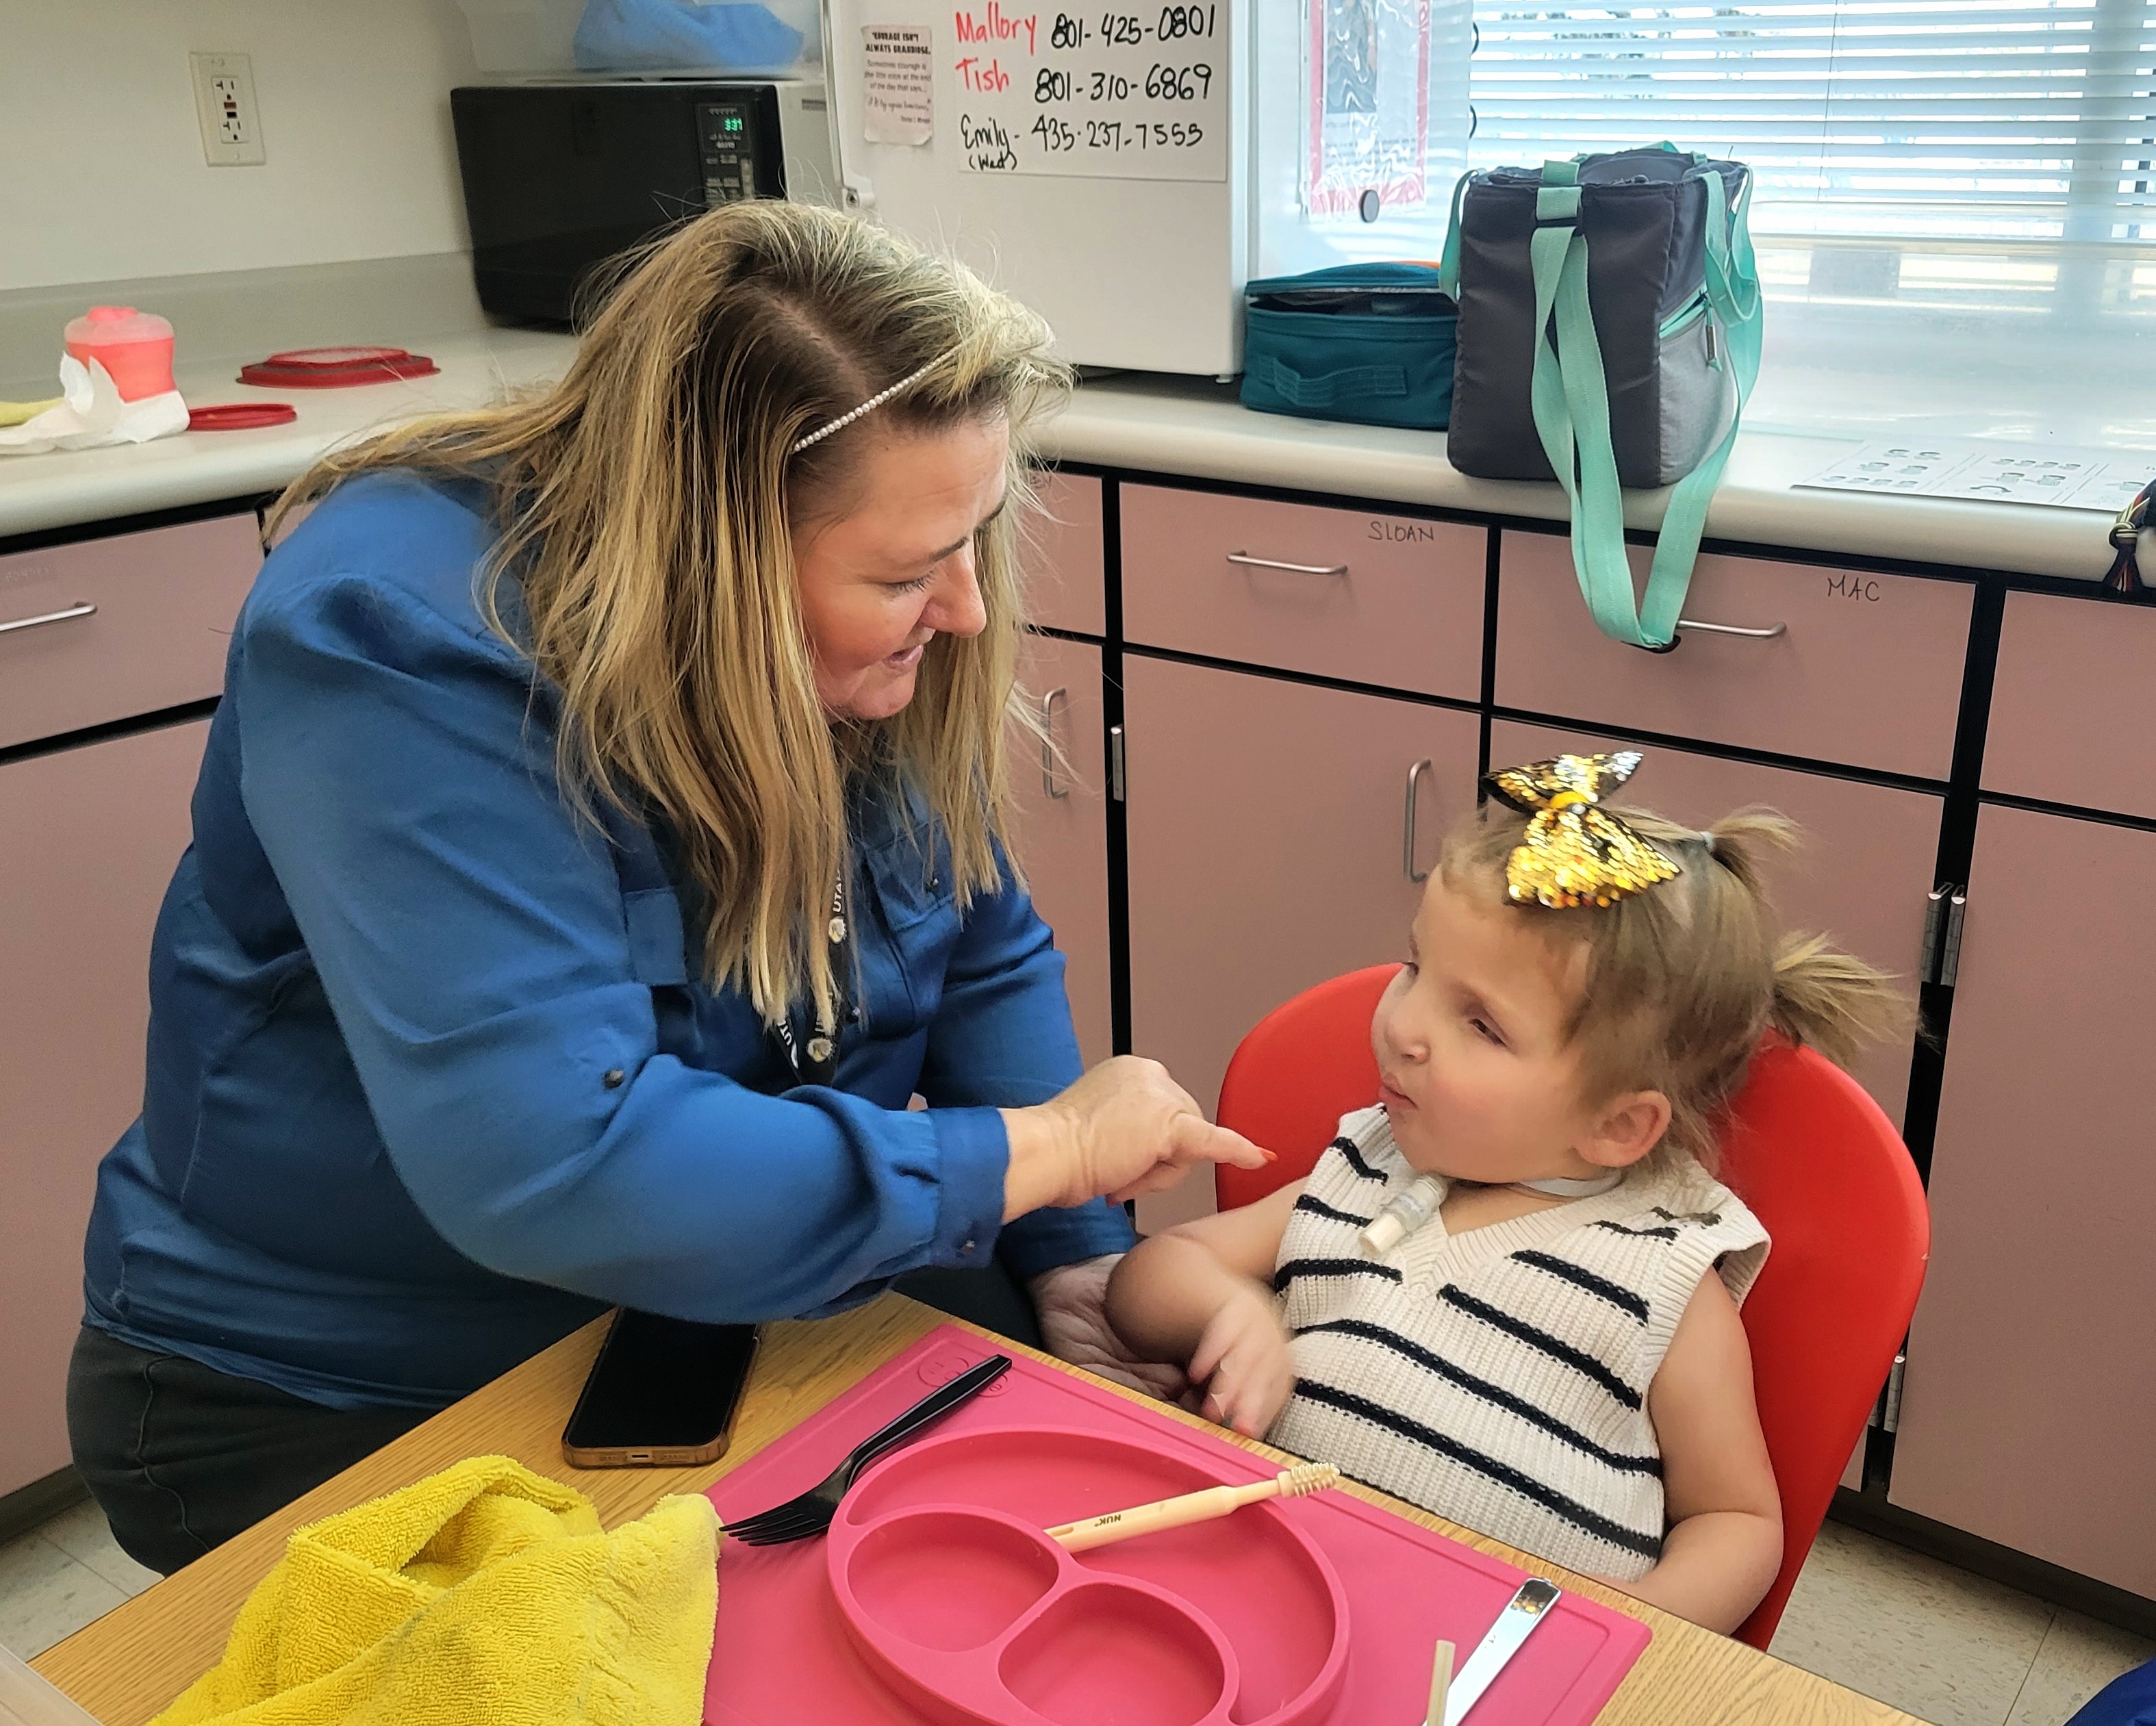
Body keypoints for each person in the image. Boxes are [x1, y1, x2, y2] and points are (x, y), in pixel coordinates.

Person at [68, 201, 1264, 1574]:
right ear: (716, 567)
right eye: (900, 574)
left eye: (973, 540)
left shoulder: (850, 644)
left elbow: (972, 941)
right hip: (348, 1379)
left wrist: (1067, 1248)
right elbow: (559, 1160)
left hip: (712, 1306)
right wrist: (1047, 1149)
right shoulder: (395, 649)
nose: (967, 613)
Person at [1106, 752, 1905, 1632]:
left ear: (1614, 1126)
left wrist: (1615, 1636)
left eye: (1479, 1024)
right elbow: (1152, 1276)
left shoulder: (1661, 1274)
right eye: (1413, 968)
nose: (1403, 1026)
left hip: (1491, 1682)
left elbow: (1738, 1523)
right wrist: (1234, 1311)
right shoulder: (1363, 1164)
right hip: (1265, 1615)